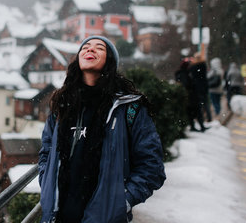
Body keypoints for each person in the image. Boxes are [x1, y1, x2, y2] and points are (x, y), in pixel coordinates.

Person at [38, 36, 166, 223]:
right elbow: (46, 152)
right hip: (57, 217)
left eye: (99, 48)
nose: (90, 50)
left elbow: (152, 167)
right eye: (85, 47)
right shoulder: (63, 105)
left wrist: (122, 202)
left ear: (110, 61)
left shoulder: (128, 108)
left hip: (104, 217)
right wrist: (47, 185)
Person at [187, 50, 211, 130]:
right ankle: (208, 117)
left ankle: (200, 119)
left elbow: (192, 77)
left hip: (196, 88)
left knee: (198, 105)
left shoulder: (193, 67)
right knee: (205, 104)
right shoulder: (203, 65)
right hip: (203, 87)